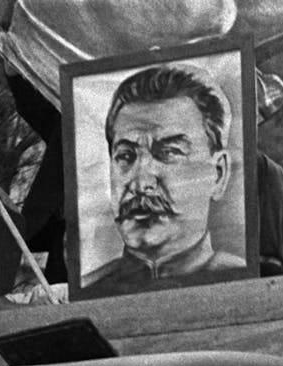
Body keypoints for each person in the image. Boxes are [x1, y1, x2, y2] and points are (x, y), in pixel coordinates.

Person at [78, 63, 246, 296]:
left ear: (218, 173)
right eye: (125, 156)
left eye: (168, 152)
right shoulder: (90, 293)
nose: (141, 184)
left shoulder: (245, 286)